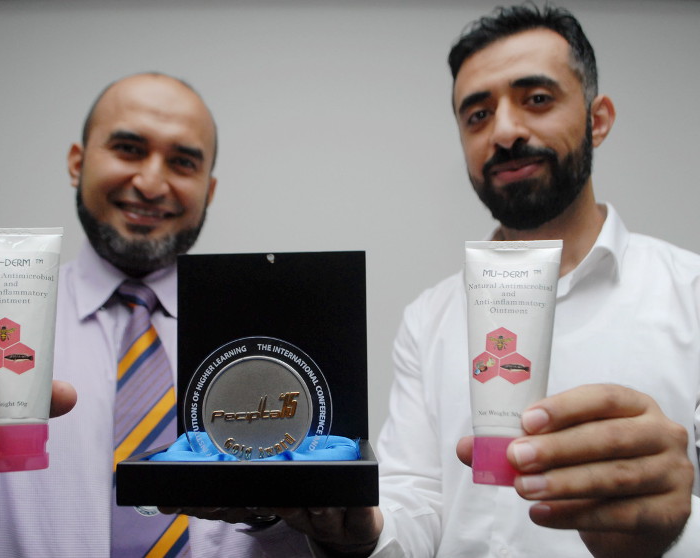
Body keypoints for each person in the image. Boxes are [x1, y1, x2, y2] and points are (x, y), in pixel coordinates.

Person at [262, 4, 700, 557]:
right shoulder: (431, 317)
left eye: (536, 99)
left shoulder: (691, 295)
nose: (505, 131)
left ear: (598, 118)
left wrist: (673, 531)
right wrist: (363, 533)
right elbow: (412, 502)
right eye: (477, 115)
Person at [0, 73, 312, 556]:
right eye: (129, 149)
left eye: (182, 162)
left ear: (209, 189)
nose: (152, 182)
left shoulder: (270, 340)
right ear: (77, 163)